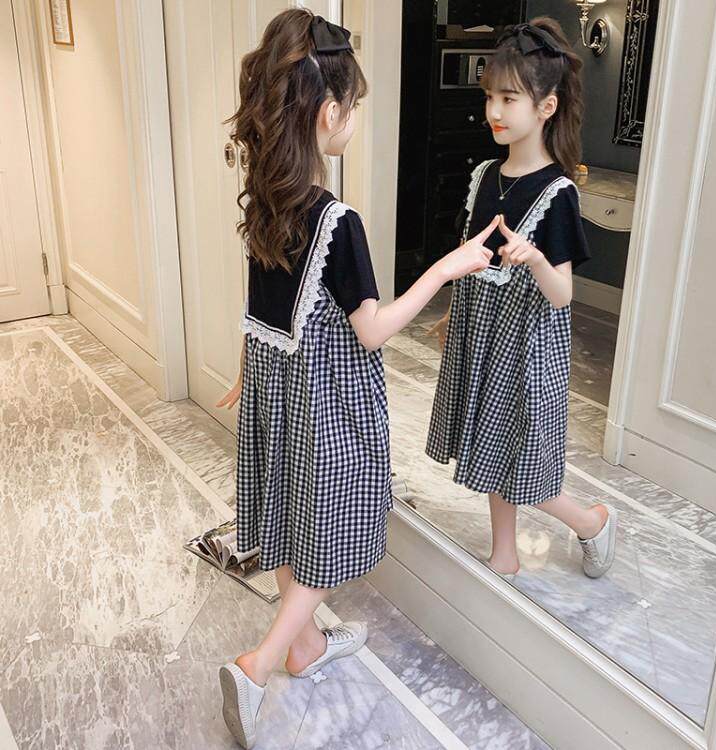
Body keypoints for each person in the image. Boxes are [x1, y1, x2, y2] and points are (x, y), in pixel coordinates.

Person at [213, 9, 499, 748]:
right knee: (332, 527)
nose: (356, 117)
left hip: (277, 387)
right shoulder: (338, 220)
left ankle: (305, 648)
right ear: (329, 112)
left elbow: (258, 307)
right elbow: (371, 328)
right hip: (327, 402)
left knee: (287, 516)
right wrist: (447, 267)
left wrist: (247, 375)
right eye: (355, 104)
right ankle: (259, 663)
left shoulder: (269, 200)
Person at [426, 18, 618, 581]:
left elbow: (562, 295)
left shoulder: (557, 192)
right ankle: (504, 551)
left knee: (524, 461)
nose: (494, 110)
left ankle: (591, 522)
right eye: (490, 96)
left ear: (547, 106)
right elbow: (473, 260)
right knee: (490, 449)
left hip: (528, 346)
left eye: (509, 98)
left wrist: (535, 258)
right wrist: (453, 312)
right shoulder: (485, 176)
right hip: (482, 332)